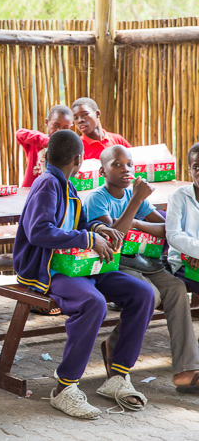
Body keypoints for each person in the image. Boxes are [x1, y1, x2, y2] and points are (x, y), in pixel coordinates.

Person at [13, 130, 155, 419]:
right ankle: (65, 387)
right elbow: (39, 232)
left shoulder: (66, 185)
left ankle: (118, 377)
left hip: (76, 265)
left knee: (143, 293)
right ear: (78, 160)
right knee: (93, 303)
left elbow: (77, 225)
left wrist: (98, 230)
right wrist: (88, 239)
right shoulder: (48, 184)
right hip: (46, 269)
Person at [84, 145, 199, 393]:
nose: (125, 169)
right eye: (117, 164)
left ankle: (187, 369)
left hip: (146, 263)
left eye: (129, 164)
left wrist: (135, 220)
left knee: (177, 289)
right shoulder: (98, 198)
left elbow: (166, 229)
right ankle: (115, 346)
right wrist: (136, 202)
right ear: (102, 169)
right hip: (117, 266)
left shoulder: (132, 197)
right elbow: (114, 239)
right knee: (151, 294)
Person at [166, 142, 199, 297]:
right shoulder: (178, 197)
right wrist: (195, 252)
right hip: (183, 263)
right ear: (189, 171)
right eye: (196, 167)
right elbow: (174, 235)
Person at [15, 105, 73, 188]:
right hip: (30, 190)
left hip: (53, 191)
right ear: (47, 122)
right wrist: (47, 142)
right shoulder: (35, 142)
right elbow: (19, 133)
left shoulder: (70, 148)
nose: (59, 130)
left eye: (65, 128)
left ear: (70, 128)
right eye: (55, 126)